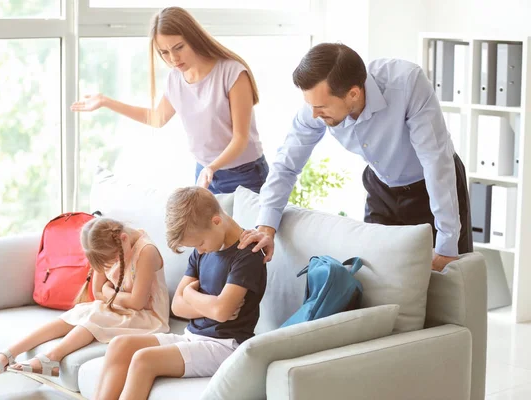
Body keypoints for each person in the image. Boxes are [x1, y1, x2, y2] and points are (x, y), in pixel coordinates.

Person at [238, 43, 472, 272]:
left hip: (431, 186)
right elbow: (286, 164)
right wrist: (266, 228)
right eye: (310, 105)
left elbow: (435, 162)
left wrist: (447, 244)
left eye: (320, 107)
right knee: (378, 276)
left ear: (353, 93)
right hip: (381, 187)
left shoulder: (406, 82)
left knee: (449, 282)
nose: (314, 114)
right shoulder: (316, 108)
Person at [91, 186, 267, 400]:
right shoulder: (203, 250)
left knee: (144, 360)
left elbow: (221, 312)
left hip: (225, 346)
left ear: (216, 221)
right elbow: (178, 306)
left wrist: (192, 295)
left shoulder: (247, 254)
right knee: (120, 345)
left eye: (200, 243)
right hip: (192, 337)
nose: (200, 250)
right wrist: (209, 305)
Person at [71, 6, 269, 194]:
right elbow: (156, 119)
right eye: (164, 52)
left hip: (245, 173)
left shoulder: (232, 72)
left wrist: (212, 167)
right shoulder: (176, 78)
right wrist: (106, 102)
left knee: (246, 231)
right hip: (205, 173)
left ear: (194, 39)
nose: (173, 58)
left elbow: (240, 139)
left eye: (179, 47)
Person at [0, 217, 169, 377]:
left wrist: (109, 292)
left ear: (124, 239)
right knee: (76, 314)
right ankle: (8, 353)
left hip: (147, 316)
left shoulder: (146, 251)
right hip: (118, 307)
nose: (110, 266)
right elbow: (97, 293)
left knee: (95, 316)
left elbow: (136, 303)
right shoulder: (108, 246)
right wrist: (107, 293)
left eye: (112, 261)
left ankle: (52, 359)